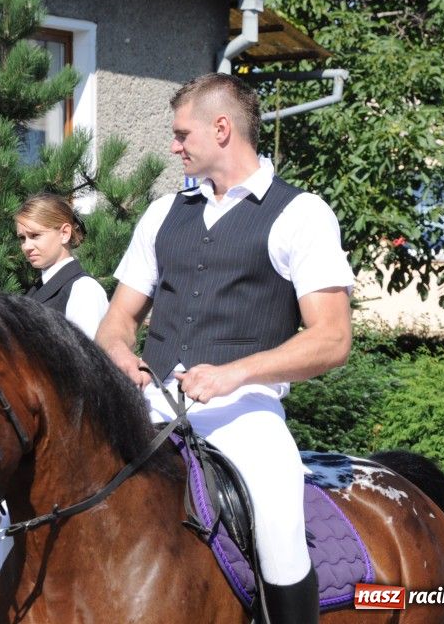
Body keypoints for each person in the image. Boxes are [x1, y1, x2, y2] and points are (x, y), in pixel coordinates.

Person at [95, 73, 354, 623]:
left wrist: (235, 374)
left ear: (221, 128)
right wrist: (120, 354)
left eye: (182, 134)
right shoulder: (163, 214)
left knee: (279, 516)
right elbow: (117, 321)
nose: (173, 145)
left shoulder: (301, 214)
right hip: (151, 404)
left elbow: (332, 339)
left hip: (246, 413)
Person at [15, 193, 109, 339]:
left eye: (35, 235)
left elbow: (86, 358)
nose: (27, 246)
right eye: (22, 238)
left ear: (64, 233)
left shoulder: (84, 291)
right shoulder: (37, 289)